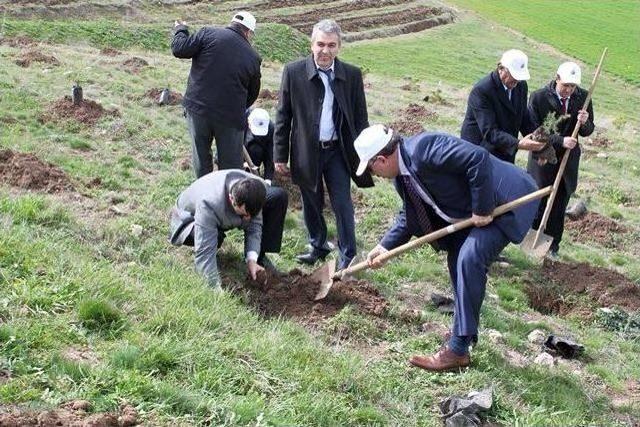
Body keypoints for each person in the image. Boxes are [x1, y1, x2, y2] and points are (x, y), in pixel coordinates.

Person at [353, 124, 540, 372]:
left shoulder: (424, 149)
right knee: (457, 260)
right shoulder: (403, 176)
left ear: (382, 159)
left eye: (371, 168)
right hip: (476, 208)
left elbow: (477, 158)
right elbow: (408, 215)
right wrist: (383, 246)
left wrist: (482, 209)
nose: (373, 174)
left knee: (469, 258)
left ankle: (458, 350)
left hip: (506, 200)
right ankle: (464, 335)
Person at [274, 19, 373, 270]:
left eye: (331, 45)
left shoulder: (351, 75)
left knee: (342, 202)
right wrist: (279, 155)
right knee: (311, 199)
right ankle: (317, 245)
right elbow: (283, 115)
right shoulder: (294, 72)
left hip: (338, 151)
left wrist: (366, 153)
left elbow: (360, 117)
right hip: (306, 149)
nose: (325, 50)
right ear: (312, 44)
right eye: (320, 44)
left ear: (339, 46)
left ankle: (348, 254)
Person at [172, 11, 262, 177]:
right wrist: (237, 106)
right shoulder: (253, 57)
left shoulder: (208, 33)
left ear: (231, 23)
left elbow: (179, 49)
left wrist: (181, 29)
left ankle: (204, 195)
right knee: (230, 167)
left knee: (201, 159)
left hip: (198, 110)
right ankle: (229, 198)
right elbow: (253, 93)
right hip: (230, 118)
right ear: (249, 32)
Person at [169, 170, 288, 289]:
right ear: (231, 199)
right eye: (243, 215)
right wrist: (214, 289)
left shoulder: (255, 191)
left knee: (278, 196)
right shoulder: (209, 203)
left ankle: (259, 259)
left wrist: (252, 259)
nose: (247, 219)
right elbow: (204, 252)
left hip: (222, 210)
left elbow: (254, 226)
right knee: (214, 238)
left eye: (250, 215)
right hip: (188, 218)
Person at [527, 61, 594, 258]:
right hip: (544, 157)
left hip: (568, 160)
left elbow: (589, 130)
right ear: (557, 78)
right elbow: (534, 130)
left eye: (573, 87)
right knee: (538, 199)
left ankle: (553, 246)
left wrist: (585, 122)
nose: (569, 90)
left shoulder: (583, 98)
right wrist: (559, 140)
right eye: (565, 85)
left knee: (559, 203)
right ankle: (531, 240)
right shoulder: (539, 97)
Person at [461, 49, 544, 163]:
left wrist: (539, 145)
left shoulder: (520, 86)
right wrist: (518, 144)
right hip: (479, 152)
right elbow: (489, 132)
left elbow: (523, 117)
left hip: (505, 150)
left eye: (519, 77)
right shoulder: (482, 91)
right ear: (501, 69)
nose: (516, 81)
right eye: (514, 75)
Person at [244, 108, 275, 184]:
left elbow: (270, 155)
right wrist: (239, 164)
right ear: (249, 122)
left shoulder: (271, 128)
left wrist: (268, 180)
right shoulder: (239, 120)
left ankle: (252, 174)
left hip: (253, 161)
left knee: (256, 149)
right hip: (237, 156)